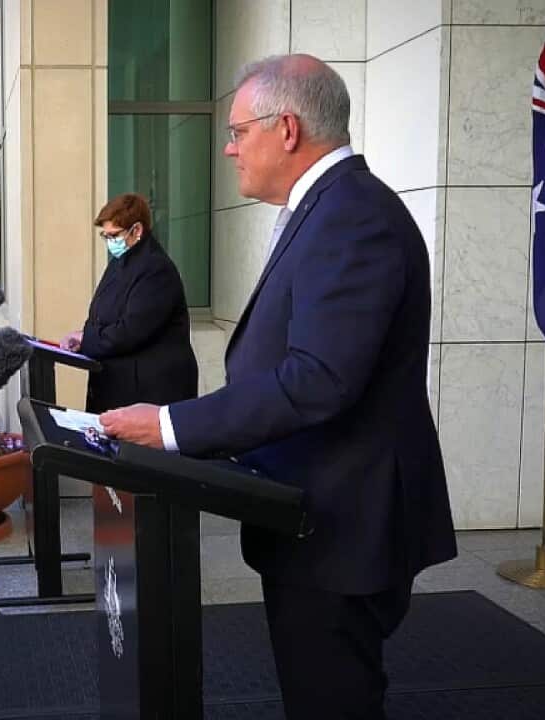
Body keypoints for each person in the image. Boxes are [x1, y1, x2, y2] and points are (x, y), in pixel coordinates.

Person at [100, 54, 457, 719]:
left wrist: (172, 426)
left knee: (333, 700)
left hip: (344, 521)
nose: (229, 148)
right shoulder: (325, 207)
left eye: (238, 131)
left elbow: (319, 377)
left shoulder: (353, 215)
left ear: (286, 129)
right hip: (312, 511)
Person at [60, 192, 198, 412]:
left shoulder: (156, 269)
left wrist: (88, 339)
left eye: (114, 235)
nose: (110, 242)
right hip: (118, 383)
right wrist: (83, 336)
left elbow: (131, 330)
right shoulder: (121, 262)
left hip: (147, 392)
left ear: (137, 230)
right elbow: (102, 312)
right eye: (105, 236)